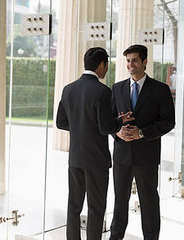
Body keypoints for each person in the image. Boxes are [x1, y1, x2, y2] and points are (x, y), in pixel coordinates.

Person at [56, 47, 134, 240]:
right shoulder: (102, 91)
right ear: (101, 65)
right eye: (107, 66)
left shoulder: (68, 89)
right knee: (96, 207)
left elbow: (61, 122)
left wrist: (81, 128)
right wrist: (120, 121)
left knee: (73, 206)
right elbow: (106, 127)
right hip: (96, 160)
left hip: (75, 158)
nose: (106, 70)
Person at [109, 45, 175, 240]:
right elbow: (110, 120)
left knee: (149, 201)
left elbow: (168, 121)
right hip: (122, 155)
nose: (130, 65)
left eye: (135, 60)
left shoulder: (160, 89)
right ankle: (115, 236)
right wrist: (117, 132)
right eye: (128, 61)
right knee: (120, 200)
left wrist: (143, 133)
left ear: (145, 62)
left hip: (146, 155)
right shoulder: (117, 88)